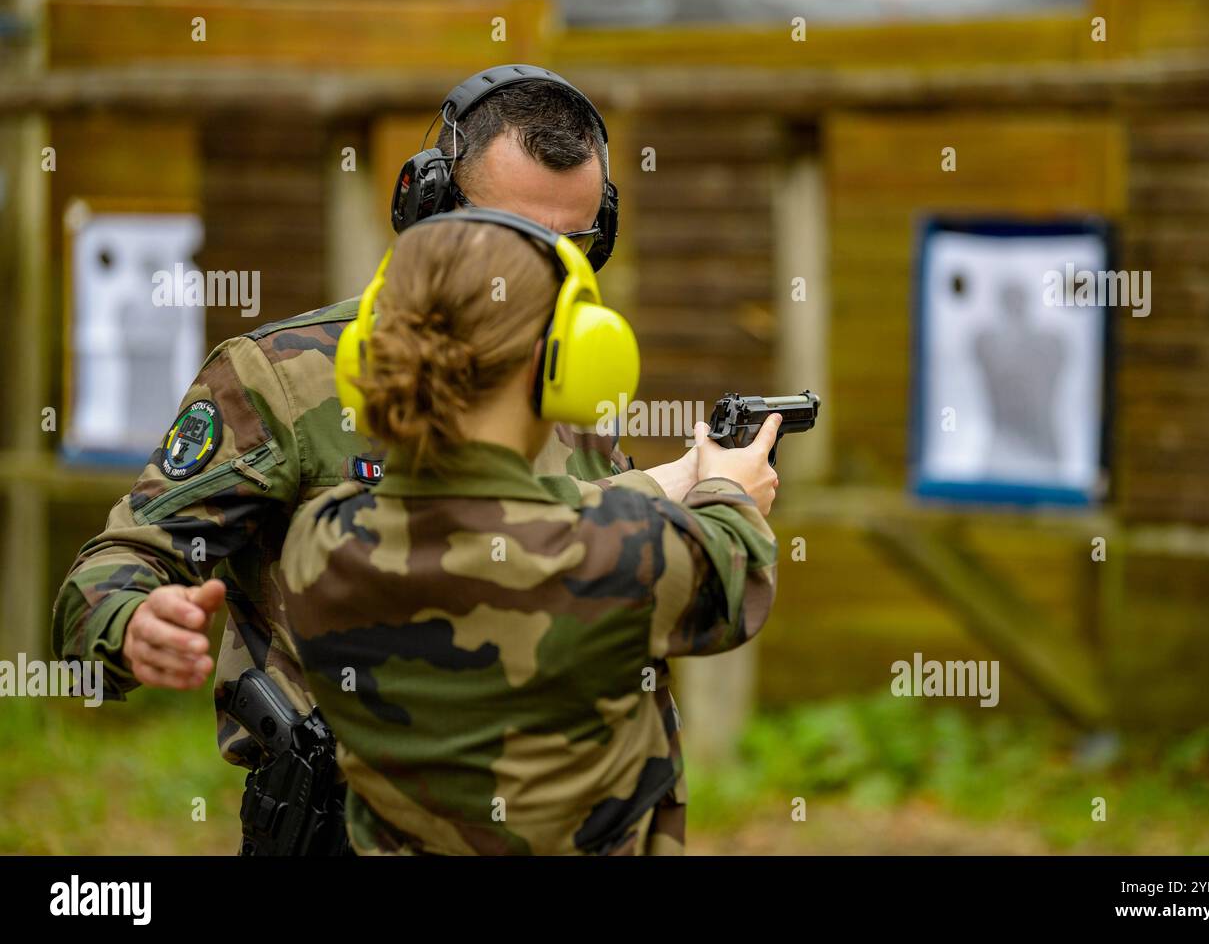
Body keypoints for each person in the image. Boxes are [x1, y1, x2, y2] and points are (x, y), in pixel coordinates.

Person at [51, 65, 702, 850]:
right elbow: (108, 570)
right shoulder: (286, 378)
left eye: (574, 249)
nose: (544, 281)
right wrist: (131, 622)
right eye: (511, 240)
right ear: (429, 210)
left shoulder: (568, 381)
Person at [278, 210, 780, 855]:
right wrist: (728, 490)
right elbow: (736, 571)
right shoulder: (625, 552)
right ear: (559, 367)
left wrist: (675, 480)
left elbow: (494, 515)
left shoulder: (321, 539)